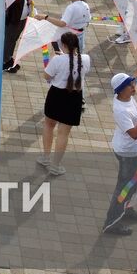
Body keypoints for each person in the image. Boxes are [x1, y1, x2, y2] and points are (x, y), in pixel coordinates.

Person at [103, 68, 137, 234]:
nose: (134, 87)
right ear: (121, 89)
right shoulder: (121, 110)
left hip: (130, 152)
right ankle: (111, 223)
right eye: (130, 85)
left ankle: (126, 208)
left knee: (133, 182)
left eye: (132, 83)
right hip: (126, 153)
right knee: (123, 188)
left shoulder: (126, 97)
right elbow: (134, 134)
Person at [38, 32, 87, 176]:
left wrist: (59, 58)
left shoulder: (57, 60)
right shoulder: (86, 59)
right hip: (75, 98)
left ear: (63, 45)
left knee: (48, 125)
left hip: (56, 95)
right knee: (63, 133)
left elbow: (47, 76)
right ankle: (56, 165)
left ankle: (45, 157)